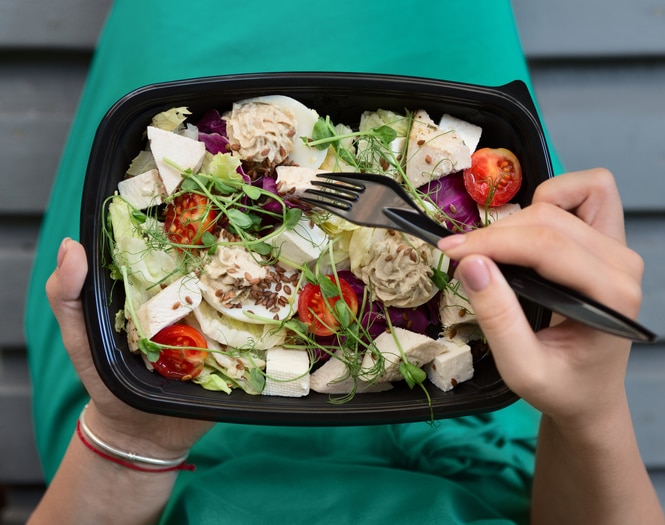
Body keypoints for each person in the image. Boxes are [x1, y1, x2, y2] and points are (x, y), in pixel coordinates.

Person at [23, 1, 665, 523]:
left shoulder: (137, 437)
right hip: (490, 446)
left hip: (139, 472)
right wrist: (591, 413)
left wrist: (131, 438)